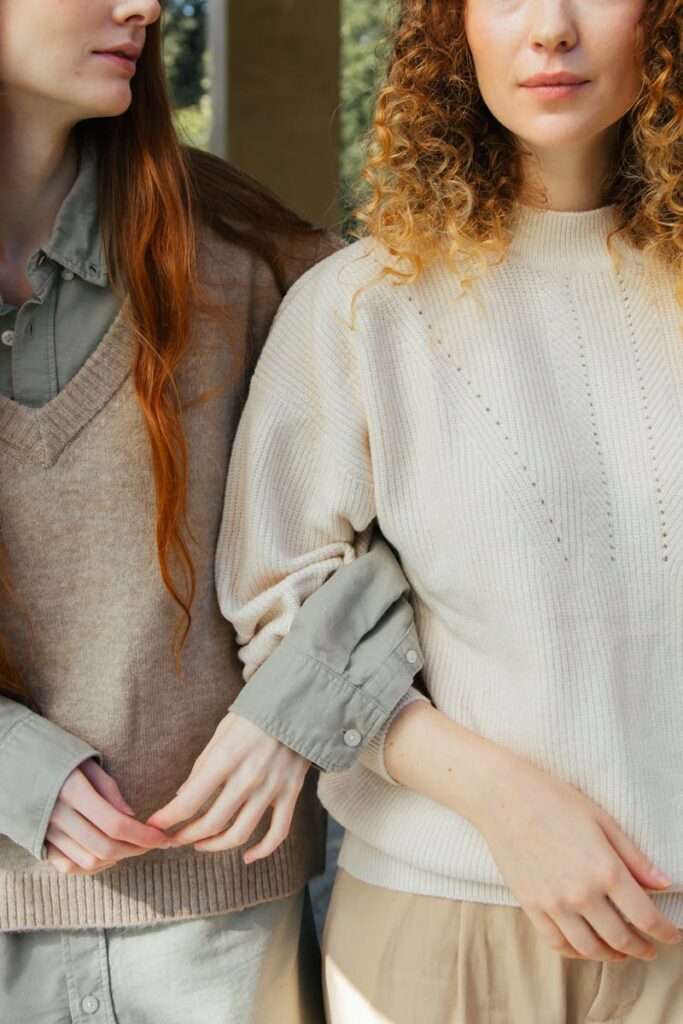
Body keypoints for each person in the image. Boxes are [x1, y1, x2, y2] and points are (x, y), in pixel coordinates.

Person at [221, 0, 683, 1020]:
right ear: (450, 26)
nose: (550, 27)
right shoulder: (360, 308)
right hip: (436, 934)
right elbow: (273, 611)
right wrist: (499, 798)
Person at [0, 1, 423, 1021]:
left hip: (219, 936)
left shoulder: (250, 255)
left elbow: (440, 500)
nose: (143, 3)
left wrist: (304, 697)